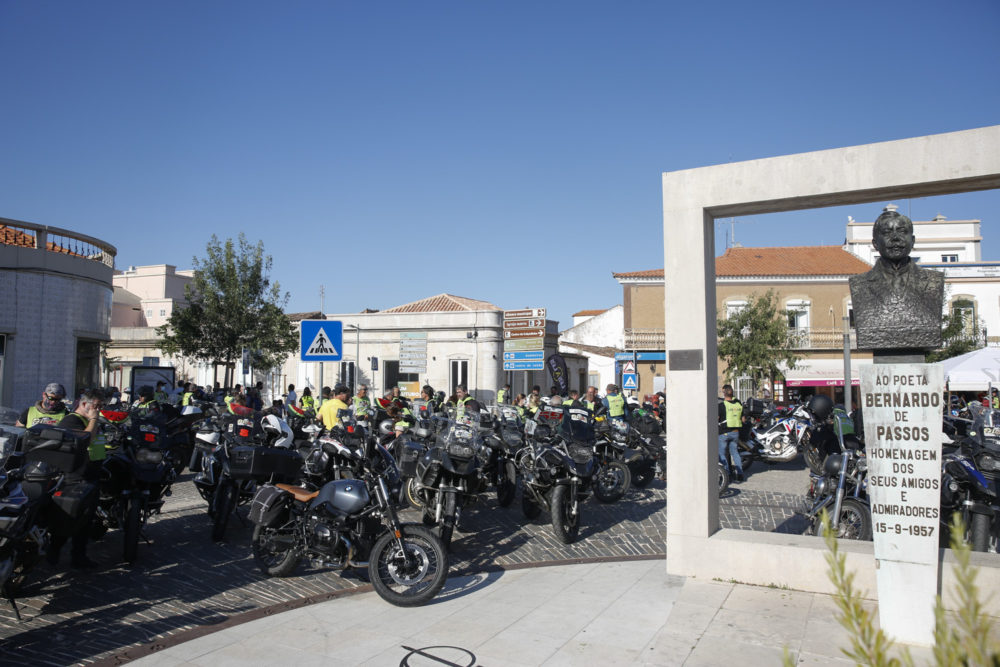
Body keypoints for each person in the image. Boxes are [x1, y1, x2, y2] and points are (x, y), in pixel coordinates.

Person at [849, 208, 945, 352]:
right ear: (875, 243)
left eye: (902, 231)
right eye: (887, 232)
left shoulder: (933, 281)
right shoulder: (859, 284)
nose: (895, 238)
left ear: (913, 241)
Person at [50, 388, 105, 568]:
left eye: (101, 406)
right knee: (68, 519)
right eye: (96, 406)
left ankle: (78, 556)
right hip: (75, 477)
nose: (98, 410)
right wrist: (94, 419)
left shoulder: (88, 420)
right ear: (84, 404)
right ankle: (53, 554)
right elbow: (85, 440)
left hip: (90, 475)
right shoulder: (71, 421)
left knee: (85, 521)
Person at [718, 384, 745, 483]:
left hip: (724, 433)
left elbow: (716, 418)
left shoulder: (722, 405)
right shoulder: (738, 404)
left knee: (721, 454)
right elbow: (743, 419)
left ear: (724, 393)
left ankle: (727, 475)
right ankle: (740, 474)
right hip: (735, 432)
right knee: (735, 453)